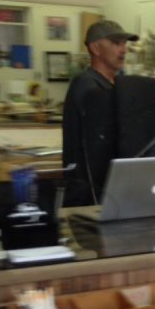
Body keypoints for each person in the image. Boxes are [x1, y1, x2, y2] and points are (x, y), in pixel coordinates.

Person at [62, 19, 139, 207]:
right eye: (115, 43)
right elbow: (97, 152)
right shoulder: (89, 88)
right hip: (91, 195)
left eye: (124, 44)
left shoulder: (109, 85)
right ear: (95, 48)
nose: (123, 50)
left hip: (106, 189)